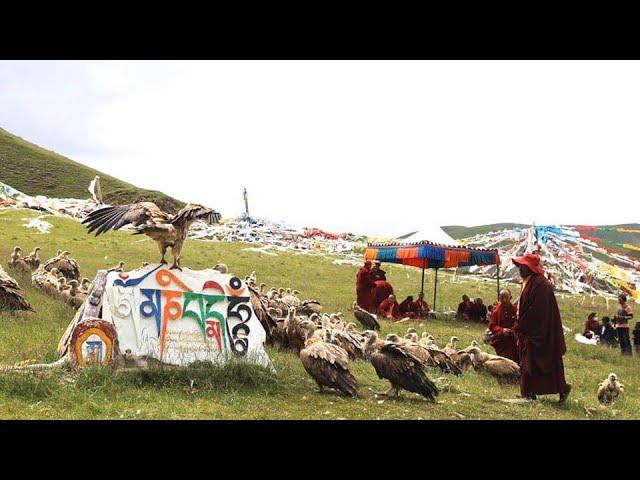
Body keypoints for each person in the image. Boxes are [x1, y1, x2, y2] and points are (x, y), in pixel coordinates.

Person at [512, 253, 571, 403]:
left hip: (541, 332)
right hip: (532, 330)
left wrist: (521, 324)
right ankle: (529, 392)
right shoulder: (530, 281)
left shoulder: (540, 284)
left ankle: (562, 388)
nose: (519, 269)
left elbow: (537, 311)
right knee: (529, 362)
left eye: (522, 267)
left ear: (529, 268)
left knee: (544, 361)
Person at [488, 289, 519, 362]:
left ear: (510, 298)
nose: (504, 300)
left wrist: (511, 330)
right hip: (501, 339)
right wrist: (502, 330)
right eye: (502, 298)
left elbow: (519, 323)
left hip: (513, 338)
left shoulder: (515, 310)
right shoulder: (496, 311)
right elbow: (492, 325)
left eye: (506, 298)